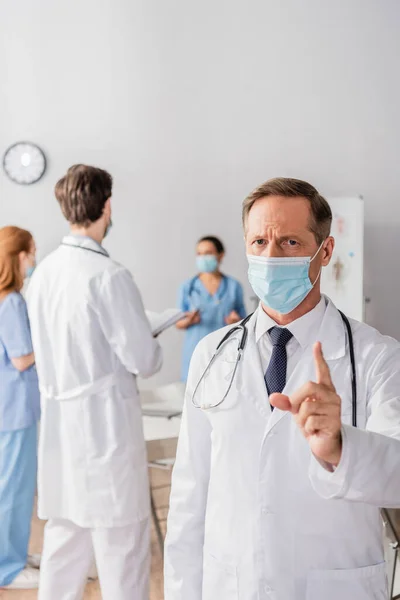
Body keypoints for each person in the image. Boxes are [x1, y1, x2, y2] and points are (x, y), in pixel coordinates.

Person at [164, 177, 400, 600]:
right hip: (232, 585)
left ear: (324, 252)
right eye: (259, 242)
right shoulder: (211, 355)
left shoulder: (376, 357)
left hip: (335, 586)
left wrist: (341, 448)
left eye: (290, 242)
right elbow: (188, 497)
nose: (271, 256)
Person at [27, 165, 162, 600]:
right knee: (122, 549)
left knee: (64, 546)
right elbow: (144, 359)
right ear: (107, 206)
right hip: (105, 434)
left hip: (61, 435)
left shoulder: (43, 273)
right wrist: (151, 335)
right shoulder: (109, 276)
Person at [0, 226, 41, 590]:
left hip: (10, 408)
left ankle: (15, 553)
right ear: (18, 257)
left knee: (14, 486)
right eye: (31, 253)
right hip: (15, 412)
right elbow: (23, 359)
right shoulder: (11, 300)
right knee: (13, 488)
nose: (34, 260)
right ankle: (7, 568)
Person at [177, 236, 246, 381]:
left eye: (208, 253)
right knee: (194, 396)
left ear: (220, 255)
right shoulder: (188, 287)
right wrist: (189, 320)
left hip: (225, 351)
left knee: (224, 392)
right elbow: (178, 323)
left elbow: (244, 322)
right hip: (195, 351)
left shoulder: (234, 286)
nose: (203, 257)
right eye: (199, 254)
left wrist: (236, 320)